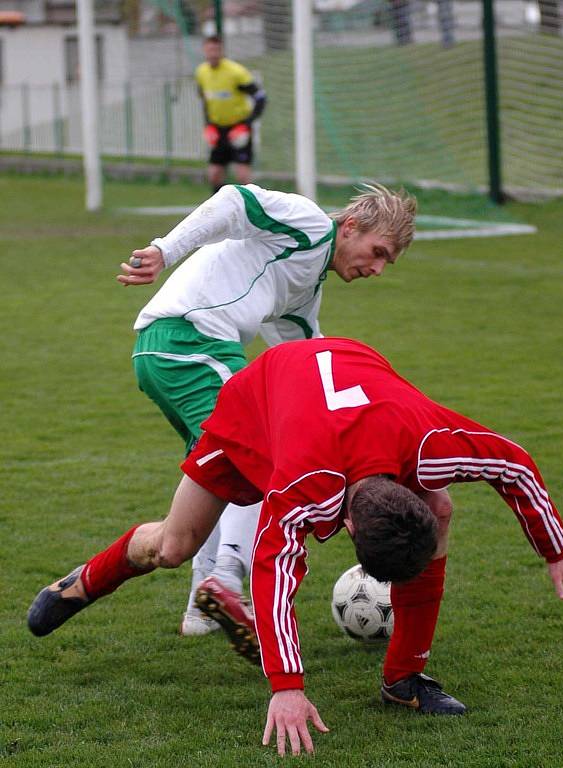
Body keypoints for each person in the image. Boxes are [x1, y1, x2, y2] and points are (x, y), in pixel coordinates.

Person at [28, 337, 563, 757]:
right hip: (255, 407)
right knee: (174, 546)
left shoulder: (433, 444)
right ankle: (84, 582)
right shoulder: (302, 492)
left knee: (443, 510)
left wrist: (556, 551)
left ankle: (403, 680)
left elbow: (514, 463)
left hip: (359, 385)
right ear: (345, 526)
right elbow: (272, 578)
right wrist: (287, 688)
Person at [116, 181, 417, 639]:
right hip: (191, 341)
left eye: (386, 263)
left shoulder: (305, 286)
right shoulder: (310, 225)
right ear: (352, 226)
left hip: (169, 351)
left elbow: (309, 361)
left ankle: (203, 607)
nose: (376, 269)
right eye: (378, 252)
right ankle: (227, 579)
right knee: (263, 460)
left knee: (214, 473)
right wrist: (164, 250)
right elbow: (235, 199)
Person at [195, 35, 267, 194]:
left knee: (242, 175)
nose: (213, 53)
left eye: (216, 50)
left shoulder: (236, 72)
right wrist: (208, 126)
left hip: (238, 127)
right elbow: (205, 101)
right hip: (217, 128)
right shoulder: (201, 72)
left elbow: (260, 98)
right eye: (209, 50)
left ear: (222, 51)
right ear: (204, 51)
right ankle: (218, 210)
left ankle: (253, 210)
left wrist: (246, 124)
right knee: (214, 174)